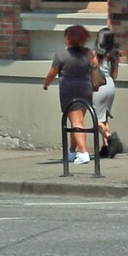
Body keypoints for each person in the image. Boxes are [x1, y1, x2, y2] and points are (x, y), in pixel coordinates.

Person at [42, 24, 98, 163]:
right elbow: (95, 67)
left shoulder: (61, 54)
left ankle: (83, 152)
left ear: (68, 38)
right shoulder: (89, 53)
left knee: (76, 121)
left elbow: (52, 72)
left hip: (69, 88)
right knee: (78, 120)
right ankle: (72, 151)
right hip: (86, 87)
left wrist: (46, 83)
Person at [91, 27, 121, 156]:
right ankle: (106, 148)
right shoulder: (114, 55)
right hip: (110, 85)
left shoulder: (94, 54)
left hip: (99, 86)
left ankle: (109, 137)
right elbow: (114, 75)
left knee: (95, 118)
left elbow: (93, 71)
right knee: (104, 117)